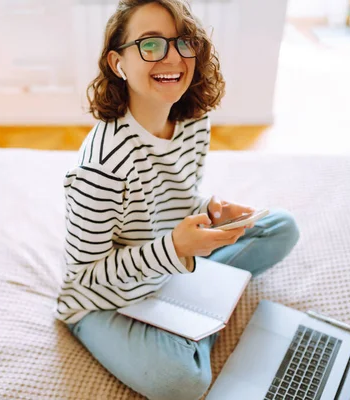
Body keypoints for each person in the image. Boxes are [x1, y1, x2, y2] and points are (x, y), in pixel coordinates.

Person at [55, 1, 300, 399]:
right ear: (118, 63)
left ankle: (191, 319)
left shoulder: (193, 120)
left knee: (282, 227)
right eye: (150, 45)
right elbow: (86, 275)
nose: (171, 57)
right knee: (183, 383)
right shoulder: (100, 167)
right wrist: (175, 249)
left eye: (182, 42)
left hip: (169, 266)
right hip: (105, 301)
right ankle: (195, 323)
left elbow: (178, 199)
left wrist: (211, 213)